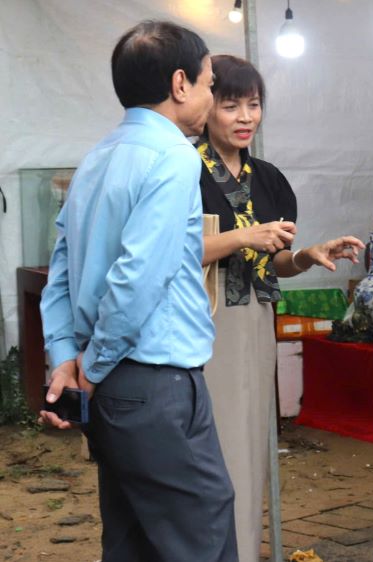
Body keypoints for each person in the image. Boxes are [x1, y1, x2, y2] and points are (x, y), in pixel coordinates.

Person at [38, 21, 237, 561]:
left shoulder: (96, 158)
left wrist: (65, 360)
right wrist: (92, 367)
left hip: (111, 386)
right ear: (179, 84)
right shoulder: (172, 157)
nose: (210, 96)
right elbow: (137, 278)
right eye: (208, 83)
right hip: (153, 386)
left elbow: (59, 274)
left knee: (132, 542)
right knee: (202, 536)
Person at [196, 54, 364, 562]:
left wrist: (307, 256)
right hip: (204, 319)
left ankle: (245, 550)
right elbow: (171, 251)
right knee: (216, 449)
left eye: (254, 104)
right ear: (204, 107)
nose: (246, 116)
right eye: (231, 105)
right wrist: (241, 235)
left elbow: (274, 261)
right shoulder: (180, 169)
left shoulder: (267, 178)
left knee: (253, 446)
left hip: (256, 321)